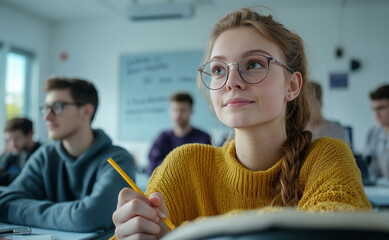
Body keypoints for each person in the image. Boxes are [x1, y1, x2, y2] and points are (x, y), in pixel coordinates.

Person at [111, 8, 371, 240]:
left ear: (291, 86)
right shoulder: (184, 165)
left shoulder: (326, 157)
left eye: (254, 64)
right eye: (218, 70)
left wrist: (183, 235)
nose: (232, 81)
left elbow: (334, 231)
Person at [0, 77, 136, 232]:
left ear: (86, 111)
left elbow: (90, 217)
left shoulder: (118, 159)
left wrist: (34, 211)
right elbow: (5, 203)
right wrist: (73, 214)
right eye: (46, 108)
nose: (46, 117)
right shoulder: (44, 156)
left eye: (57, 107)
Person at [147, 92, 211, 175]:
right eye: (175, 110)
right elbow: (151, 169)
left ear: (191, 111)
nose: (178, 115)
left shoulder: (203, 138)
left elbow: (208, 169)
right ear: (170, 112)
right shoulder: (162, 137)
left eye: (183, 110)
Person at [0, 117, 41, 185]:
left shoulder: (41, 155)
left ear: (30, 134)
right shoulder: (11, 153)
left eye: (17, 138)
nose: (12, 144)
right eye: (9, 140)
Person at [365, 84, 389, 182]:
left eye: (381, 108)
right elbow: (367, 165)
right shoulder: (373, 133)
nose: (376, 114)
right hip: (381, 190)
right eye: (374, 109)